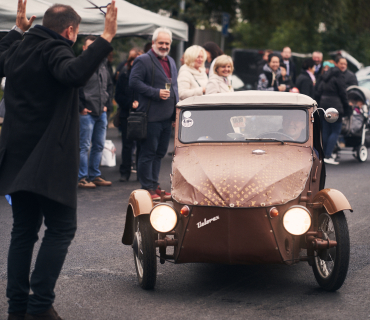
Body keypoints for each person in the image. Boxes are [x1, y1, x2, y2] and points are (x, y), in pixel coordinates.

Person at [0, 1, 117, 319]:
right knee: (61, 228)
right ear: (69, 30)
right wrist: (106, 37)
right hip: (48, 159)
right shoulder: (55, 49)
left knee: (23, 231)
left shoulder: (21, 49)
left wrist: (16, 30)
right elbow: (74, 73)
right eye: (76, 35)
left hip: (17, 158)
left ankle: (17, 308)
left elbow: (1, 59)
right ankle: (39, 307)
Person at [129, 27, 178, 200]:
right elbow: (133, 82)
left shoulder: (171, 61)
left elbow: (175, 88)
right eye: (161, 43)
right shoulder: (143, 60)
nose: (164, 46)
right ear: (153, 43)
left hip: (166, 116)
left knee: (159, 153)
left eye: (167, 43)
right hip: (150, 116)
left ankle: (154, 184)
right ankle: (146, 188)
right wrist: (155, 92)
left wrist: (175, 114)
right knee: (148, 153)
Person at [78, 36, 112, 188]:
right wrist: (81, 108)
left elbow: (109, 86)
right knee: (84, 146)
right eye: (90, 47)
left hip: (101, 112)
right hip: (87, 113)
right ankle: (82, 177)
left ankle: (94, 175)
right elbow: (73, 88)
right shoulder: (80, 65)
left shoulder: (104, 64)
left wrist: (106, 104)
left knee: (98, 145)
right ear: (84, 49)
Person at [316, 57, 350, 165]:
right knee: (336, 131)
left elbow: (319, 90)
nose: (343, 65)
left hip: (324, 104)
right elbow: (343, 93)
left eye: (345, 63)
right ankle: (328, 155)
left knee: (326, 130)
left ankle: (324, 154)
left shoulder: (325, 75)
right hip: (335, 105)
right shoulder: (338, 75)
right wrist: (347, 107)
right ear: (336, 64)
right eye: (341, 63)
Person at [115, 52, 141, 182]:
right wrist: (130, 103)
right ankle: (124, 173)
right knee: (127, 145)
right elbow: (118, 96)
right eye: (133, 61)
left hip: (143, 114)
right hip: (127, 114)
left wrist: (140, 104)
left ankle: (141, 174)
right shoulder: (124, 75)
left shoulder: (147, 76)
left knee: (142, 145)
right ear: (130, 62)